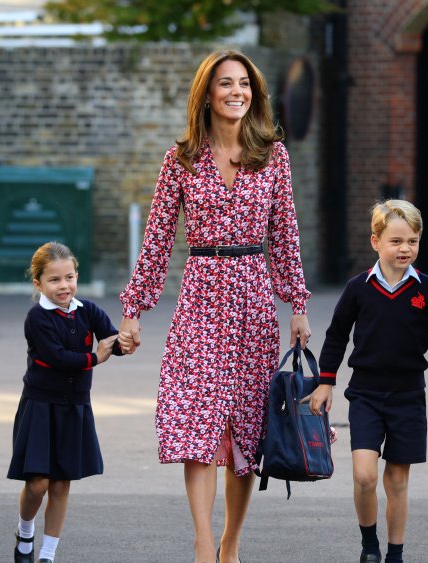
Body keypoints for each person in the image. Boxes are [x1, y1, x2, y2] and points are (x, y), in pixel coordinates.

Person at [115, 49, 312, 563]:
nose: (236, 92)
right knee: (197, 422)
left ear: (255, 92)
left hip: (252, 301)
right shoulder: (180, 159)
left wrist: (297, 302)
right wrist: (134, 308)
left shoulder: (273, 155)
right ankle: (204, 544)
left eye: (244, 83)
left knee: (246, 431)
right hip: (201, 295)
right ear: (207, 92)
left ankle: (231, 544)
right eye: (225, 83)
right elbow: (157, 242)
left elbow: (285, 235)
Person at [308, 200, 428, 563]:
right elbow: (337, 334)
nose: (405, 249)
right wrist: (326, 382)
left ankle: (395, 554)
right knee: (365, 475)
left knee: (398, 481)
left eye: (413, 241)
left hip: (408, 397)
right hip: (366, 395)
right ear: (376, 242)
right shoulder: (358, 288)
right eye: (396, 241)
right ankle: (369, 545)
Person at [9, 241, 123, 563]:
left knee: (61, 484)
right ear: (38, 283)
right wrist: (95, 357)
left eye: (69, 277)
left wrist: (125, 341)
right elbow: (59, 358)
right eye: (55, 280)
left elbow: (111, 337)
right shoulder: (37, 318)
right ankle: (25, 532)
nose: (64, 286)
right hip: (41, 406)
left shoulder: (87, 311)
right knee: (37, 483)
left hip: (75, 407)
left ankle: (47, 554)